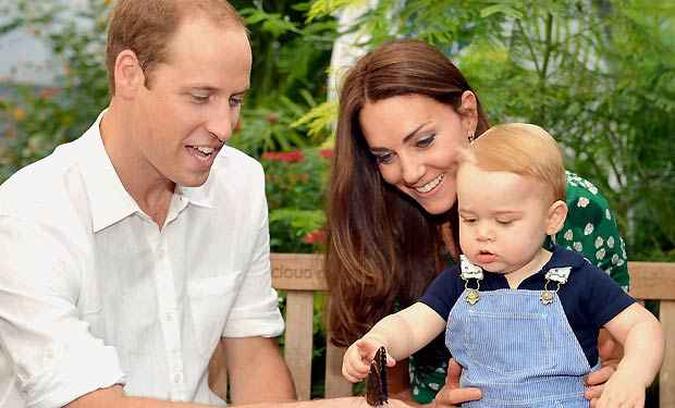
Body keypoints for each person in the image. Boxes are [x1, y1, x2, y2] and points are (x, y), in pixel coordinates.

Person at [0, 1, 305, 407]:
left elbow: (252, 356)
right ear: (129, 74)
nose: (224, 127)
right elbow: (90, 403)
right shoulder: (30, 212)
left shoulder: (240, 183)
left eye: (234, 100)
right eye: (200, 97)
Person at [326, 39, 631, 406]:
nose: (409, 172)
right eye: (385, 155)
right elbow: (395, 388)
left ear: (467, 115)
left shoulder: (567, 203)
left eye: (423, 141)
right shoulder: (383, 218)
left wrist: (617, 372)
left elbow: (621, 339)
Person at [341, 123, 664, 407]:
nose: (483, 234)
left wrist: (631, 377)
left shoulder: (576, 278)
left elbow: (642, 326)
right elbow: (412, 325)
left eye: (504, 221)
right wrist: (379, 341)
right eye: (469, 218)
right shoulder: (461, 281)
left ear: (553, 219)